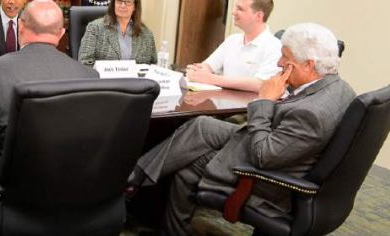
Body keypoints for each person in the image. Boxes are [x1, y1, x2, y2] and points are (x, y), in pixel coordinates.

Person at [128, 23, 355, 235]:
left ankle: (139, 194)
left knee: (189, 166)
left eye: (285, 58)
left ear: (309, 65)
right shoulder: (340, 88)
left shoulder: (312, 114)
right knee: (201, 124)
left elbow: (263, 156)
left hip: (270, 177)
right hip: (280, 147)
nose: (279, 64)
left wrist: (264, 100)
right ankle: (136, 177)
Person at [0, 0, 99, 178]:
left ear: (20, 27)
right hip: (76, 185)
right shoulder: (90, 77)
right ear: (61, 33)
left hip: (13, 189)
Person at [186, 0, 282, 92]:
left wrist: (211, 79)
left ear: (259, 16)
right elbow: (208, 66)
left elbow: (261, 84)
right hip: (222, 99)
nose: (233, 12)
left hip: (248, 102)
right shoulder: (232, 40)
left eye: (240, 9)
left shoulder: (274, 46)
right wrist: (197, 71)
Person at [78, 0, 157, 65]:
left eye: (128, 2)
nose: (123, 5)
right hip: (102, 74)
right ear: (113, 4)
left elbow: (153, 64)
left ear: (134, 7)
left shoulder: (146, 34)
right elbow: (84, 62)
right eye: (119, 1)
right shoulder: (95, 28)